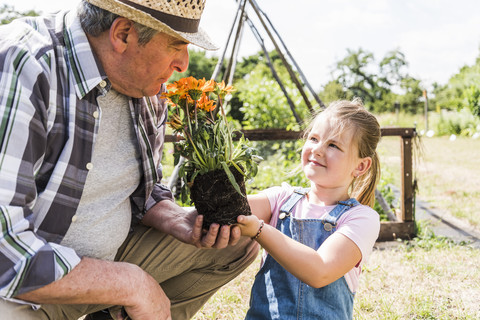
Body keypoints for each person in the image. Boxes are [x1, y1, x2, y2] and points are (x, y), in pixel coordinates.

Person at [0, 0, 258, 319]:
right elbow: (3, 252)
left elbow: (140, 189)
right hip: (22, 287)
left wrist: (170, 216)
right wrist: (129, 284)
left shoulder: (144, 86)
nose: (184, 64)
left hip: (103, 264)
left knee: (236, 245)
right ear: (123, 34)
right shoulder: (24, 66)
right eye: (176, 45)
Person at [236, 99, 382, 319]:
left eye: (333, 145)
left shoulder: (361, 219)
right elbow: (233, 209)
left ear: (360, 166)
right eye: (314, 138)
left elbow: (320, 271)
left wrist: (259, 230)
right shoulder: (281, 198)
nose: (318, 149)